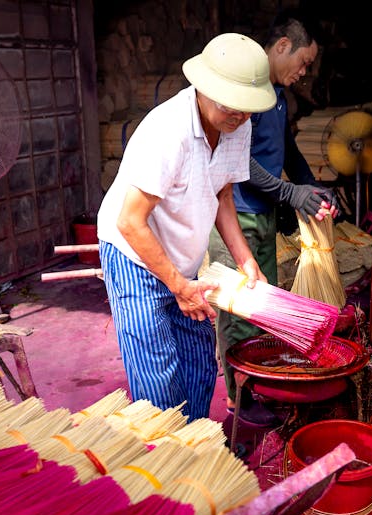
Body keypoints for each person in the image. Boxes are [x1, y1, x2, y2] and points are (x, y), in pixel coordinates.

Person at [96, 33, 276, 423]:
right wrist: (178, 286)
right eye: (231, 105)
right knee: (158, 375)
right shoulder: (167, 131)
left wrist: (246, 261)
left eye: (247, 109)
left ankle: (194, 445)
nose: (239, 116)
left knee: (199, 365)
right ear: (205, 88)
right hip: (133, 253)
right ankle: (163, 451)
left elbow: (222, 194)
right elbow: (130, 221)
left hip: (182, 259)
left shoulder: (237, 126)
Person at [207, 11, 339, 426]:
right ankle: (239, 400)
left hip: (261, 215)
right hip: (236, 217)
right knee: (239, 314)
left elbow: (288, 150)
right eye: (303, 62)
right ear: (282, 46)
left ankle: (256, 387)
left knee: (261, 308)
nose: (304, 72)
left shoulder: (278, 97)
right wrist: (290, 193)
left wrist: (310, 187)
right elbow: (240, 161)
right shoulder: (246, 93)